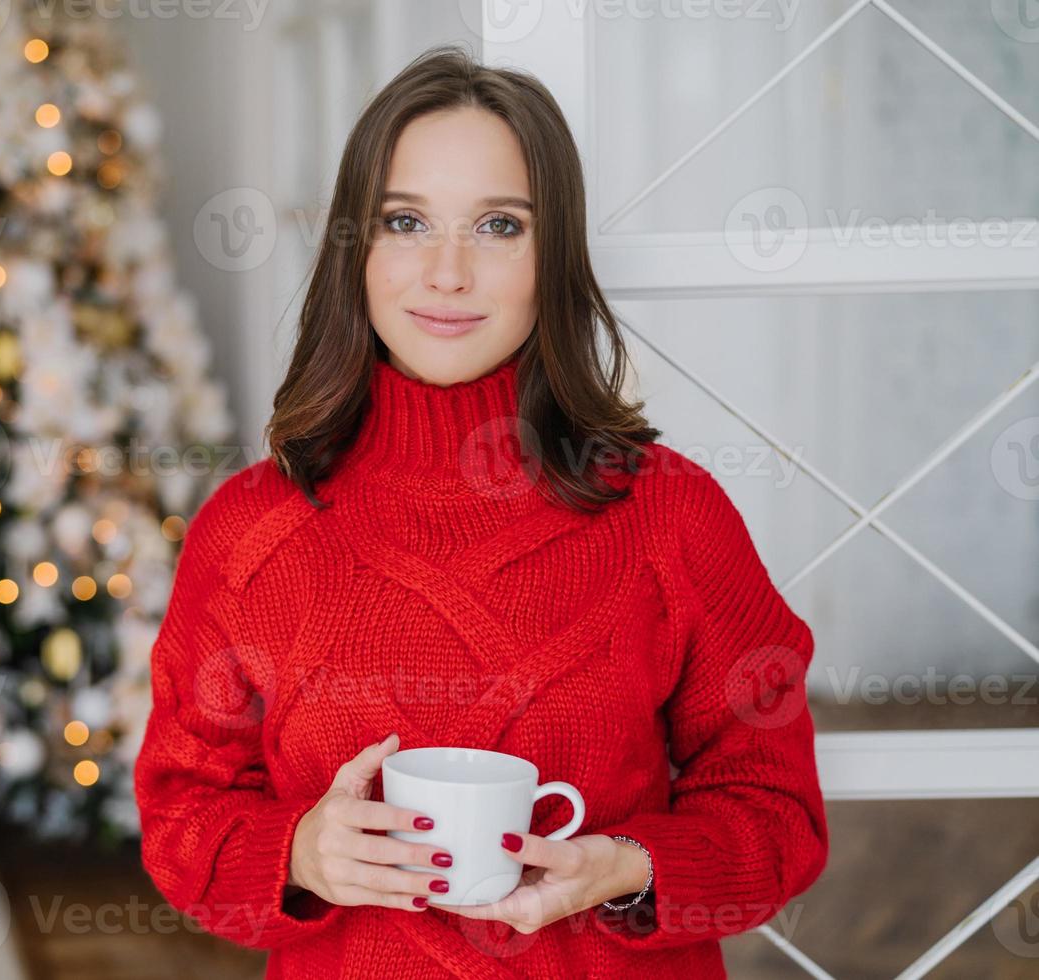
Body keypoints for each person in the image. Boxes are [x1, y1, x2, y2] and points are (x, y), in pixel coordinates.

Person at [132, 44, 828, 979]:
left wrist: (624, 869)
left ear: (555, 257)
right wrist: (300, 854)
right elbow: (182, 818)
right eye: (407, 221)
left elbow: (777, 815)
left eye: (499, 225)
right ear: (355, 248)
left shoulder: (671, 515)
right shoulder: (250, 531)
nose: (447, 272)